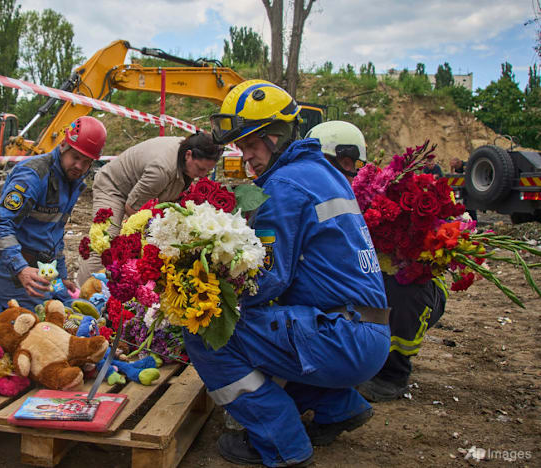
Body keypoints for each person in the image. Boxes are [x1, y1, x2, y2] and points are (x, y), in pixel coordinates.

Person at [184, 80, 391, 467]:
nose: (247, 158)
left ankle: (280, 443)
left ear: (275, 136)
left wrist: (206, 294)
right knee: (274, 330)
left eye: (250, 145)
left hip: (340, 337)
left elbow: (267, 278)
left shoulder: (283, 185)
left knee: (206, 331)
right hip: (366, 332)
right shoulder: (322, 171)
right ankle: (338, 408)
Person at [308, 121, 449, 402]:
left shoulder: (384, 195)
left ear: (346, 161)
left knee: (400, 286)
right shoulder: (316, 194)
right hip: (358, 287)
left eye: (319, 163)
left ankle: (392, 372)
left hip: (410, 290)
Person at [0, 116, 107, 340]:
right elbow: (0, 226)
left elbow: (55, 235)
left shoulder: (72, 183)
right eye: (75, 157)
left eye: (86, 161)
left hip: (45, 269)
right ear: (63, 145)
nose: (79, 166)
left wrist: (61, 277)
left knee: (69, 311)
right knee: (30, 328)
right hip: (13, 267)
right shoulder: (33, 175)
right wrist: (21, 270)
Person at [76, 133, 223, 284]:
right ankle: (83, 295)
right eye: (200, 168)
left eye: (207, 171)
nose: (202, 175)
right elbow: (132, 208)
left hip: (138, 187)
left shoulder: (188, 155)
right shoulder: (162, 170)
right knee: (104, 242)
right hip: (113, 187)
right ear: (188, 155)